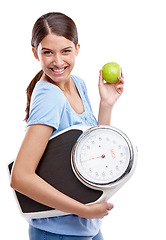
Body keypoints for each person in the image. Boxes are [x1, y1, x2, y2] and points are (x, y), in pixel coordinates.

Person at [10, 12, 124, 240]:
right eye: (48, 52)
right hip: (58, 231)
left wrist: (106, 104)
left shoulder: (78, 84)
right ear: (35, 53)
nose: (58, 62)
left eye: (65, 51)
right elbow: (20, 176)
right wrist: (84, 210)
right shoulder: (49, 98)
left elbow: (92, 150)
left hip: (85, 226)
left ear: (77, 48)